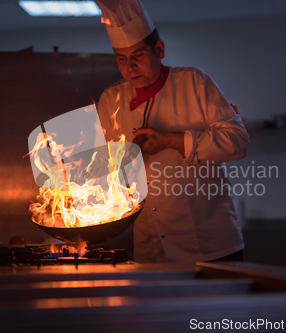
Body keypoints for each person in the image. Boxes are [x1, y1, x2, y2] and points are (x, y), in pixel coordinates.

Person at [96, 0, 249, 264]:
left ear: (160, 49)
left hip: (210, 244)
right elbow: (104, 172)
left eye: (138, 56)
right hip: (151, 247)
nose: (130, 67)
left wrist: (171, 140)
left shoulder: (194, 82)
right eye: (121, 59)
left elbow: (237, 142)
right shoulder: (111, 100)